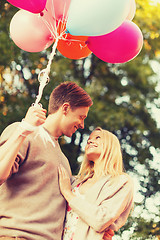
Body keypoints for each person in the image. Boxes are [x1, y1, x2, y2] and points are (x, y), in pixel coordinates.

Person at [0, 81, 113, 240]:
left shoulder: (63, 161)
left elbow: (71, 210)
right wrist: (23, 130)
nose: (82, 125)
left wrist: (95, 232)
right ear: (65, 108)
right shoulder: (24, 132)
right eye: (81, 117)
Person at [58, 127, 134, 240]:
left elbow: (101, 220)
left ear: (110, 146)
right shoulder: (75, 182)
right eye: (89, 139)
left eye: (98, 138)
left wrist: (68, 194)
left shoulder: (121, 182)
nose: (90, 141)